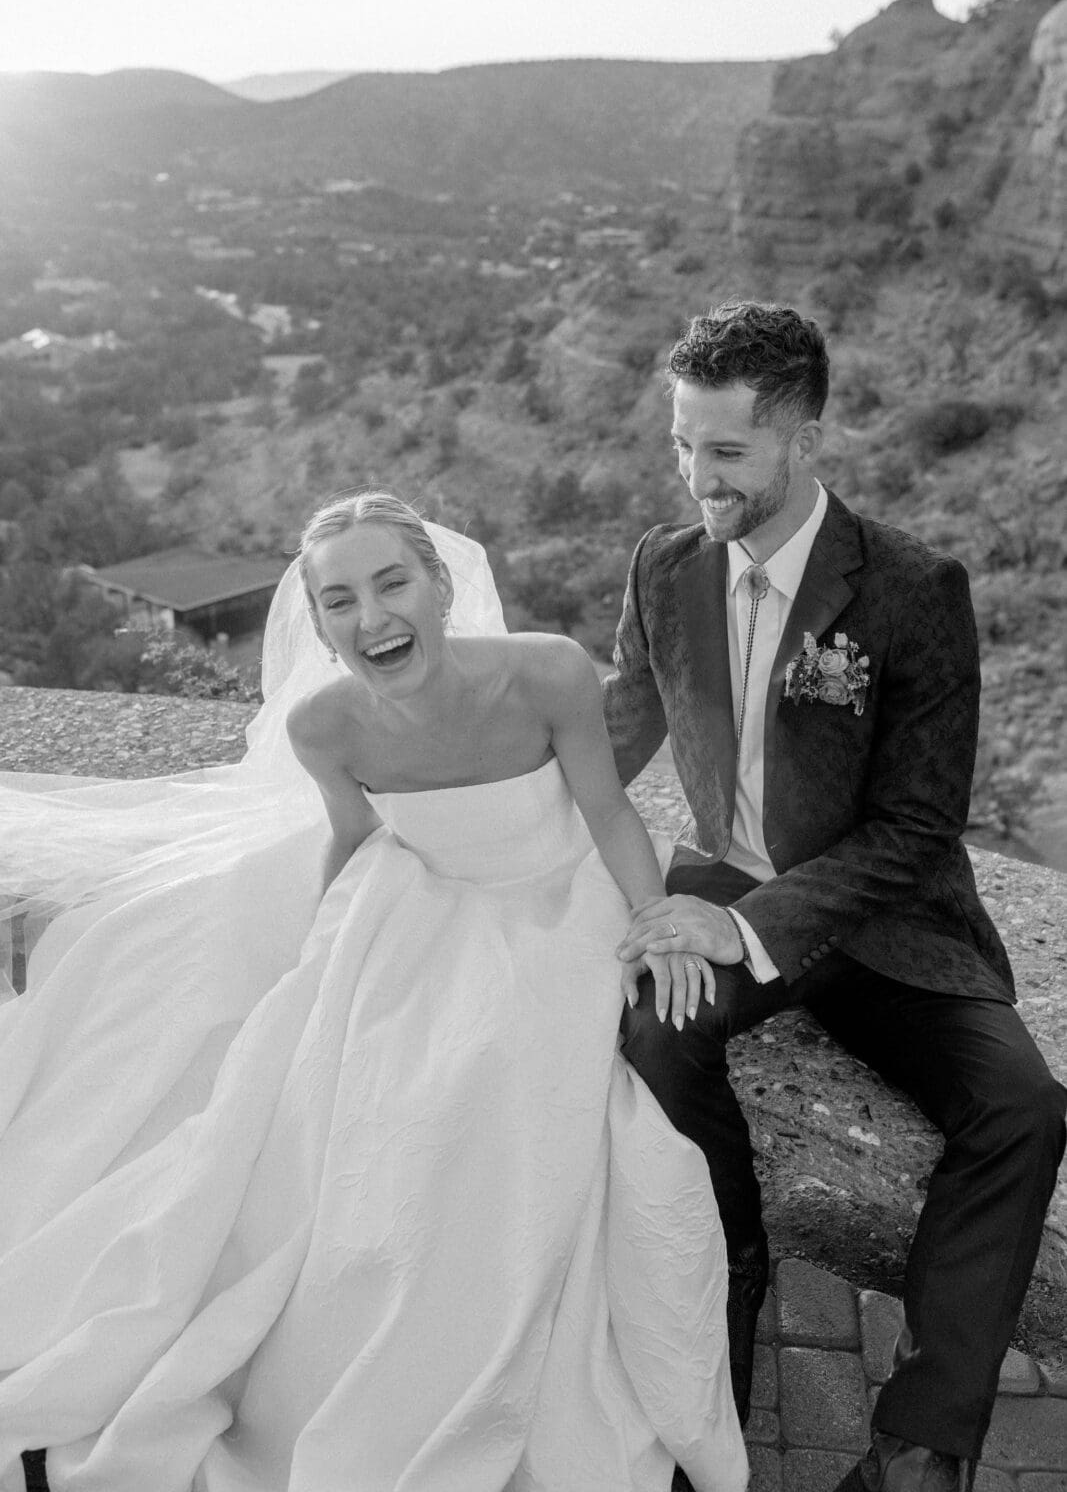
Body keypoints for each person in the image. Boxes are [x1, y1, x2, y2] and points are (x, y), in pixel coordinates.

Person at [0, 492, 746, 1492]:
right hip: (417, 902)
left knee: (506, 1071)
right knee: (351, 1101)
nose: (372, 617)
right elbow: (355, 846)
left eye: (392, 582)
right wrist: (322, 954)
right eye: (340, 599)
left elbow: (608, 809)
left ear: (440, 588)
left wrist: (653, 917)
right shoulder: (323, 725)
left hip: (554, 898)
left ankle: (483, 1338)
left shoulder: (548, 671)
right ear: (320, 623)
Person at [604, 300, 1067, 1487]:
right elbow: (610, 736)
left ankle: (916, 1449)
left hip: (884, 920)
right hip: (724, 878)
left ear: (803, 440)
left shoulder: (913, 587)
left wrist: (746, 924)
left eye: (724, 452)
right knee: (657, 1038)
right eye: (680, 445)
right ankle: (721, 1312)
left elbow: (916, 828)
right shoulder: (662, 566)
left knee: (1021, 1107)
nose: (694, 477)